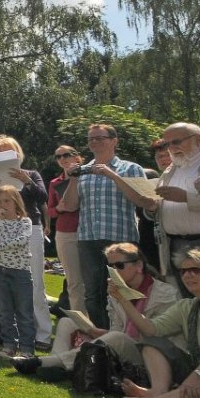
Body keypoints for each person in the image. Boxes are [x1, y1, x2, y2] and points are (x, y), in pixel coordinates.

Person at [17, 242, 180, 380]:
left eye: (120, 266)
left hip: (149, 356)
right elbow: (116, 331)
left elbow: (154, 334)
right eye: (110, 267)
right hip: (121, 345)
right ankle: (58, 367)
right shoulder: (117, 292)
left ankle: (45, 363)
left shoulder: (164, 294)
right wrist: (96, 332)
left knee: (117, 337)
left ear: (139, 266)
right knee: (67, 322)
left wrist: (121, 300)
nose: (114, 271)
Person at [60, 123, 151, 330]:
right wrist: (74, 178)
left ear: (114, 141)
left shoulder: (130, 168)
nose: (94, 142)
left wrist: (112, 175)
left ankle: (127, 336)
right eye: (91, 138)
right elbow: (71, 205)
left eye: (100, 138)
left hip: (120, 239)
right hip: (88, 239)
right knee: (93, 293)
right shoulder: (83, 171)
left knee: (124, 290)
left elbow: (142, 200)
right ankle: (102, 339)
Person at [120, 250, 200, 398]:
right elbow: (150, 329)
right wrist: (123, 300)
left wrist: (197, 376)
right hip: (198, 368)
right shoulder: (186, 307)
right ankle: (158, 391)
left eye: (196, 270)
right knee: (154, 342)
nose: (188, 276)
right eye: (183, 271)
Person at [0, 135, 51, 350]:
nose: (4, 156)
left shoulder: (31, 174)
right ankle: (14, 334)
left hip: (30, 228)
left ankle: (43, 334)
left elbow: (42, 197)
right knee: (5, 284)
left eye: (9, 152)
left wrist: (25, 180)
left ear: (18, 154)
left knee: (34, 281)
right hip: (1, 230)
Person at [145, 123, 200, 293]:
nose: (171, 148)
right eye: (167, 144)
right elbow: (160, 205)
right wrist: (151, 209)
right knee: (187, 300)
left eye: (177, 142)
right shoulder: (170, 171)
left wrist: (186, 197)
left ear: (197, 140)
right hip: (175, 244)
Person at [0, 186, 36, 360]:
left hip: (20, 272)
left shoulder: (25, 222)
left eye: (7, 201)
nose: (2, 205)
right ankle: (9, 345)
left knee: (24, 312)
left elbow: (21, 241)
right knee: (5, 311)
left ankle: (27, 348)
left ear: (16, 202)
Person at [47, 145, 86, 315]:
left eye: (66, 155)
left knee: (93, 279)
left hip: (89, 231)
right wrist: (60, 209)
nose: (62, 159)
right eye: (58, 156)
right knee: (74, 281)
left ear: (77, 157)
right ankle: (81, 323)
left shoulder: (88, 177)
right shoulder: (55, 183)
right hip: (66, 233)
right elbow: (50, 211)